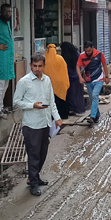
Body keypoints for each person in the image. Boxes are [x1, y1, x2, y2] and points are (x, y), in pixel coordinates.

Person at [13, 53, 63, 196]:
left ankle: (35, 177)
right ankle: (33, 183)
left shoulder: (47, 80)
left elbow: (51, 102)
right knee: (33, 154)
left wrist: (57, 118)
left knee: (43, 152)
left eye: (40, 66)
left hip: (45, 122)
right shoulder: (24, 82)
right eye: (35, 66)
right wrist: (32, 105)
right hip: (31, 124)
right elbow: (16, 102)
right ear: (30, 66)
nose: (37, 69)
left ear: (44, 66)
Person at [0, 3, 15, 119]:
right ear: (1, 12)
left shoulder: (7, 23)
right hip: (0, 58)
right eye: (6, 11)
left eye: (10, 11)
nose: (8, 13)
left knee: (5, 84)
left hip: (8, 59)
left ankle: (0, 106)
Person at [77, 41, 110, 124]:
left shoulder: (99, 54)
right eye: (86, 51)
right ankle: (97, 115)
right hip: (88, 80)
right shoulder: (82, 56)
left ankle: (92, 116)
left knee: (95, 95)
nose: (87, 52)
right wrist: (80, 77)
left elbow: (104, 64)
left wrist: (107, 76)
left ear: (92, 48)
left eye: (89, 51)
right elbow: (78, 66)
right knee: (92, 99)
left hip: (99, 79)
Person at [43, 44, 71, 119]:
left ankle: (53, 117)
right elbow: (65, 70)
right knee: (62, 100)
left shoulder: (45, 60)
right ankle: (63, 115)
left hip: (50, 83)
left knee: (52, 101)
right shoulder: (60, 58)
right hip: (61, 83)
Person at [60, 42, 86, 115]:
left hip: (69, 78)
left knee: (71, 95)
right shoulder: (77, 54)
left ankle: (72, 110)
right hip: (78, 78)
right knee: (78, 95)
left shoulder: (64, 57)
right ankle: (80, 109)